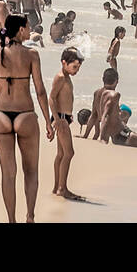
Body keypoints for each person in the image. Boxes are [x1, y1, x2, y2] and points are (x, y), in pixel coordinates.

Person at [0, 14, 54, 223]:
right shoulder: (31, 54)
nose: (29, 30)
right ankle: (30, 216)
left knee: (8, 173)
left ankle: (11, 220)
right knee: (31, 171)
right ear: (21, 30)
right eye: (28, 27)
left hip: (0, 114)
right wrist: (48, 121)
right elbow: (40, 91)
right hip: (25, 114)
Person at [49, 46, 85, 201]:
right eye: (74, 67)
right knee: (69, 153)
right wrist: (56, 120)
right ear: (64, 63)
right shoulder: (61, 77)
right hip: (61, 119)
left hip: (64, 118)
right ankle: (62, 188)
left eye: (78, 67)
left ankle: (57, 186)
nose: (76, 70)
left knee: (61, 154)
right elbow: (51, 98)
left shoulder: (66, 77)